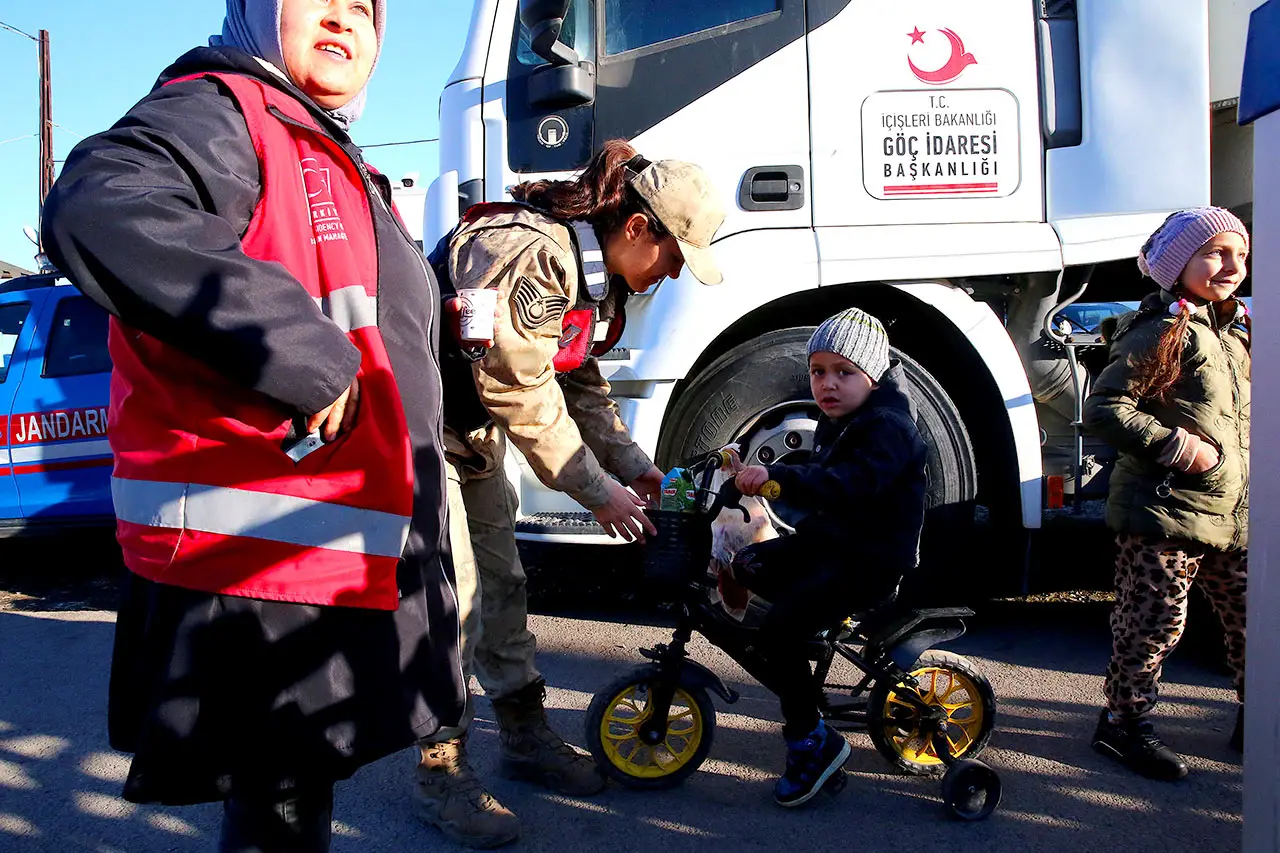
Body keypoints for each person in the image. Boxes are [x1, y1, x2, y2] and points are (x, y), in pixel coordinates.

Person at [39, 1, 464, 849]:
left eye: (366, 8)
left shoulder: (321, 147)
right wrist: (297, 348)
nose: (345, 19)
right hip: (267, 566)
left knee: (292, 800)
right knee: (279, 810)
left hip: (324, 557)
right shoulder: (224, 107)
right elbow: (98, 203)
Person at [414, 139, 726, 847]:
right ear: (640, 228)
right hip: (424, 434)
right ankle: (438, 773)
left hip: (474, 437)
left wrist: (633, 465)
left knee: (504, 585)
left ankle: (523, 737)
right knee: (455, 598)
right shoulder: (533, 254)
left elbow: (579, 381)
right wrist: (597, 491)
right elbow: (516, 385)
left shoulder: (593, 277)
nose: (672, 275)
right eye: (675, 257)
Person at [731, 306, 927, 807]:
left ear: (873, 375)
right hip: (831, 544)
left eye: (845, 372)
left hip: (869, 561)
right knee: (746, 565)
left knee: (778, 631)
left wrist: (779, 478)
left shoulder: (888, 427)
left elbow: (852, 485)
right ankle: (808, 634)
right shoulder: (839, 419)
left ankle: (813, 742)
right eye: (819, 371)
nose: (828, 384)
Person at [1083, 207, 1250, 781]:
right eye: (1216, 253)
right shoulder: (1162, 328)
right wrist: (1183, 448)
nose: (1232, 265)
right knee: (1152, 622)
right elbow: (1105, 409)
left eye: (1241, 255)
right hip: (1163, 510)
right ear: (1179, 264)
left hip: (1231, 512)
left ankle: (1257, 717)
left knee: (1252, 616)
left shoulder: (1229, 333)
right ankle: (1123, 723)